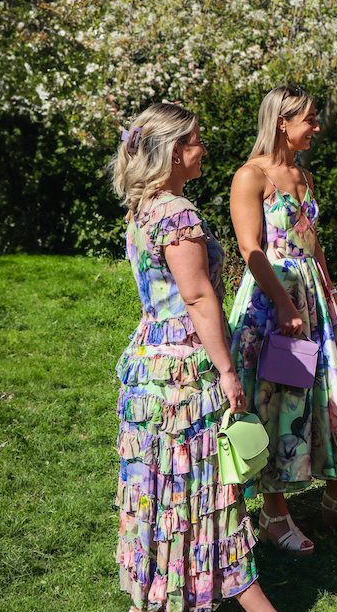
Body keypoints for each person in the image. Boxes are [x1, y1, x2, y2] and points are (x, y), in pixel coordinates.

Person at [111, 103, 277, 611]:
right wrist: (227, 370)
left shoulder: (142, 209)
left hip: (148, 363)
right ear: (175, 151)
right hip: (184, 368)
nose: (204, 148)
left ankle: (168, 591)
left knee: (165, 485)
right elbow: (199, 298)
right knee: (204, 485)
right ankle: (235, 589)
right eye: (196, 140)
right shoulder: (178, 214)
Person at [227, 85, 337, 556]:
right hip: (271, 300)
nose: (316, 128)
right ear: (282, 121)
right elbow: (250, 249)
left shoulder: (302, 175)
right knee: (274, 397)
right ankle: (274, 513)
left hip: (313, 299)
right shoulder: (250, 176)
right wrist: (283, 304)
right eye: (309, 120)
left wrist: (331, 292)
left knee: (329, 389)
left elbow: (311, 241)